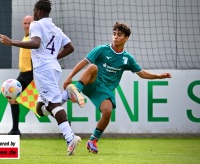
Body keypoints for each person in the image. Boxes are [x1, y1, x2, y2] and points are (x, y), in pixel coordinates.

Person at [63, 21, 172, 154]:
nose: (115, 37)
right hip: (92, 83)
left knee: (108, 111)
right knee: (92, 67)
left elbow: (142, 73)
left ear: (126, 38)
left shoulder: (127, 59)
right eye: (114, 34)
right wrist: (69, 77)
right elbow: (84, 62)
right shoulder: (101, 50)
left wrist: (159, 76)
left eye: (119, 35)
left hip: (104, 91)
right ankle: (76, 91)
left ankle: (93, 140)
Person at [0, 0, 81, 156]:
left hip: (43, 69)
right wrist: (54, 58)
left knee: (54, 104)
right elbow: (70, 47)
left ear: (37, 12)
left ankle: (70, 137)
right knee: (40, 108)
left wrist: (11, 42)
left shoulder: (36, 25)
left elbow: (36, 43)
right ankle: (66, 95)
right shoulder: (56, 29)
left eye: (33, 12)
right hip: (53, 69)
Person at [0, 15, 34, 135]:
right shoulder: (25, 38)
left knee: (41, 106)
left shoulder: (34, 38)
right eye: (25, 23)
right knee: (13, 99)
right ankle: (15, 130)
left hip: (30, 74)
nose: (27, 25)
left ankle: (64, 120)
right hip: (23, 74)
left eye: (29, 23)